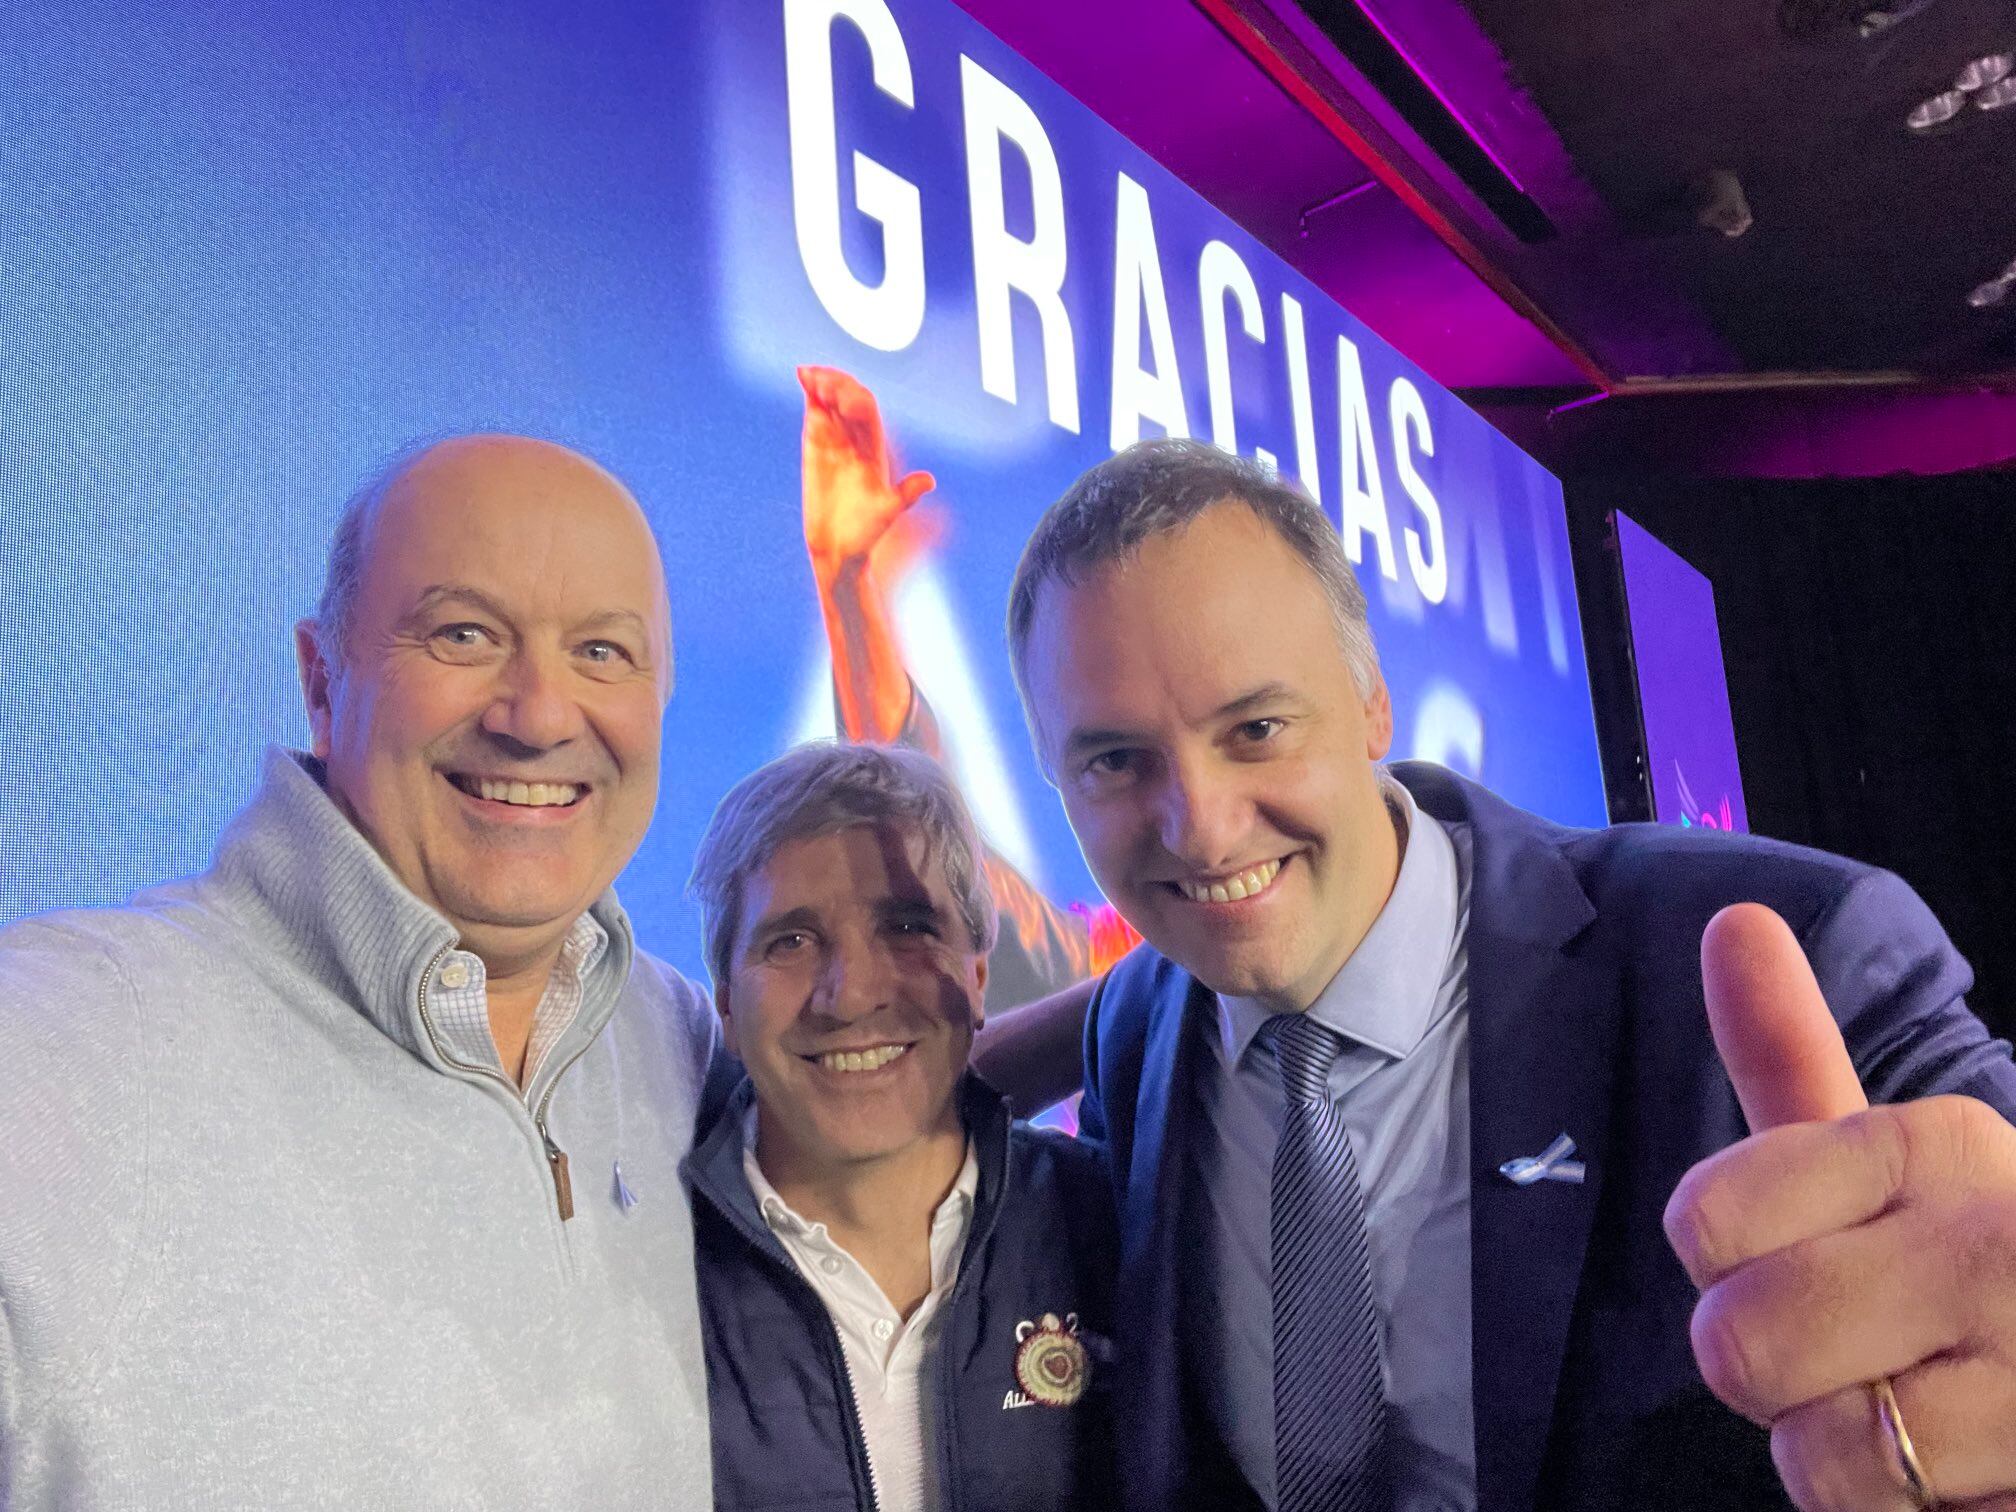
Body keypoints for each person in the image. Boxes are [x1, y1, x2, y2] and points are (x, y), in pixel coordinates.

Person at [1004, 437, 2016, 1512]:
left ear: (1369, 707)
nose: (1199, 828)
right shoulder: (1133, 1028)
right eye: (1115, 761)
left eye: (1255, 729)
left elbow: (1978, 1213)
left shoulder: (1783, 946)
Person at [0, 436, 718, 1509]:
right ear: (320, 680)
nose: (540, 715)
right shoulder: (54, 1049)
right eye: (464, 634)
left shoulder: (689, 1053)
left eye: (603, 653)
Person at [683, 741, 1116, 1512]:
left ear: (978, 974)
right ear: (723, 1001)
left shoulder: (1117, 1234)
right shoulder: (652, 1275)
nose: (851, 996)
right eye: (790, 940)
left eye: (907, 927)